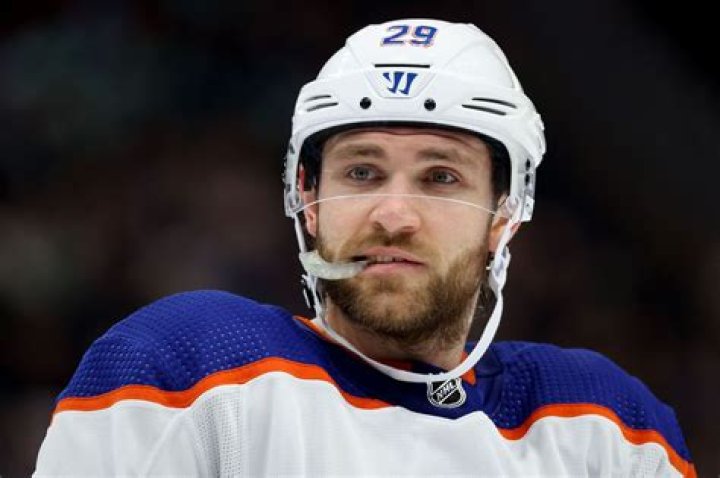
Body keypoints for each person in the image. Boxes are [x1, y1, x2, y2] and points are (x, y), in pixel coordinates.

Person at [35, 18, 695, 476]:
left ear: (505, 214)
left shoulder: (605, 426)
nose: (394, 215)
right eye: (361, 172)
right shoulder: (188, 367)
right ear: (307, 197)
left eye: (441, 177)